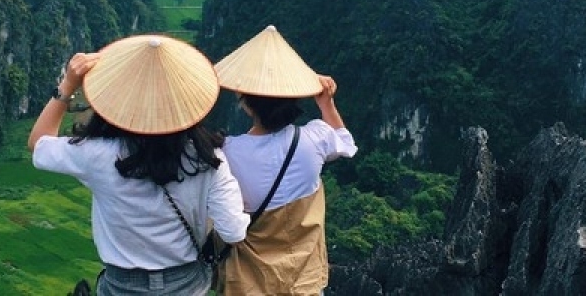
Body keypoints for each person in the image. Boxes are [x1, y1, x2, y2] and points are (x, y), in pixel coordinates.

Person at [28, 34, 250, 296]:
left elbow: (38, 143)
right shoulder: (208, 158)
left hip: (122, 285)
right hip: (187, 283)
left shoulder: (97, 154)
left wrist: (66, 86)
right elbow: (234, 231)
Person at [214, 25, 358, 296]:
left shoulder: (228, 154)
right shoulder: (315, 139)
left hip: (250, 282)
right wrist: (326, 103)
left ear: (245, 102)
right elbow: (346, 143)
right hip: (304, 280)